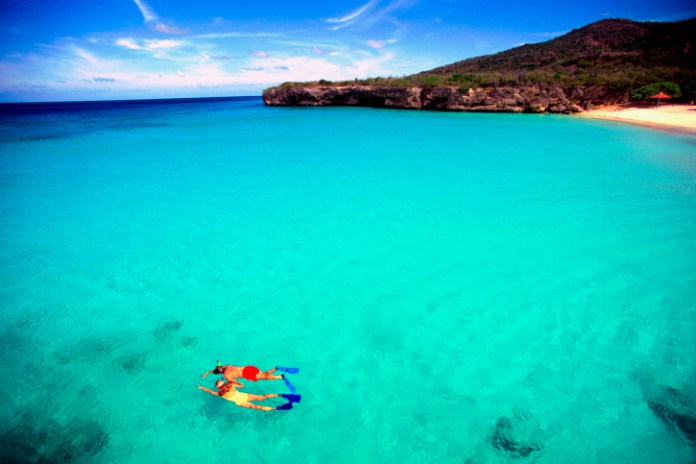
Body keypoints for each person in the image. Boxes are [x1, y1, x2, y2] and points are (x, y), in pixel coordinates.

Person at [198, 379, 300, 411]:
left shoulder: (219, 393)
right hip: (245, 395)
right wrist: (239, 384)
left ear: (217, 387)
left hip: (240, 402)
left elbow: (210, 392)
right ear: (223, 383)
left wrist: (202, 388)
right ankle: (282, 395)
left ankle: (277, 408)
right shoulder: (231, 385)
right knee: (263, 397)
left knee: (259, 407)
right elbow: (242, 385)